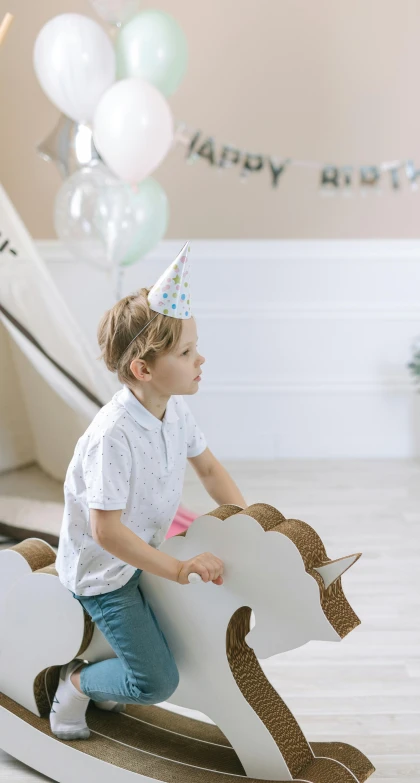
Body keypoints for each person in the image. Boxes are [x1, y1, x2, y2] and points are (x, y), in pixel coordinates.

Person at [51, 242, 247, 741]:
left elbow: (208, 469)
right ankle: (75, 683)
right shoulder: (112, 435)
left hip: (149, 550)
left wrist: (247, 522)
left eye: (194, 346)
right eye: (185, 353)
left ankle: (113, 676)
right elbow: (106, 532)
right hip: (108, 572)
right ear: (143, 369)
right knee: (157, 679)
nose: (200, 359)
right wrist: (179, 569)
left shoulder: (174, 409)